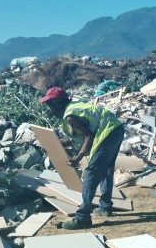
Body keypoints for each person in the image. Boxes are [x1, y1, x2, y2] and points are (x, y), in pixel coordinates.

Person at [39, 86, 125, 230]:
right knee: (106, 168)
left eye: (50, 104)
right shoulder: (73, 109)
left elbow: (88, 136)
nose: (50, 108)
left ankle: (83, 217)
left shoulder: (70, 116)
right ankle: (105, 207)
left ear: (58, 103)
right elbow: (79, 136)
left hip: (108, 132)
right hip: (115, 128)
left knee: (91, 172)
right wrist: (53, 144)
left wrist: (78, 158)